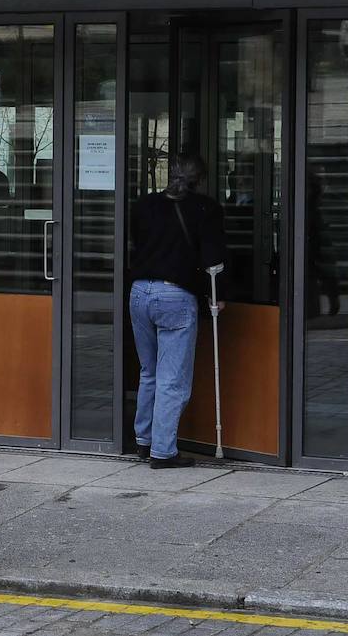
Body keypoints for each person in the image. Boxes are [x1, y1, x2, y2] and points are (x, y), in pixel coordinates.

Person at [128, 153, 227, 469]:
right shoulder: (206, 209)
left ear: (169, 173)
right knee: (172, 378)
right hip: (175, 295)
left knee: (149, 371)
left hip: (140, 292)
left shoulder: (144, 205)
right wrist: (217, 296)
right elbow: (212, 260)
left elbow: (137, 243)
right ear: (201, 179)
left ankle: (144, 441)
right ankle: (163, 451)